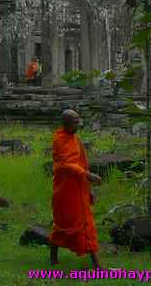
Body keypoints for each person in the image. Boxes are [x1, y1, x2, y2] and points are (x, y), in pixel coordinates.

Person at [50, 109, 102, 268]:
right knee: (63, 224)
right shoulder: (59, 140)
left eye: (78, 121)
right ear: (64, 123)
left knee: (86, 224)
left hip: (79, 187)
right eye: (74, 122)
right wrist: (87, 175)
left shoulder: (76, 139)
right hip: (65, 190)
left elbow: (82, 161)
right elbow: (64, 164)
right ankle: (53, 257)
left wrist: (88, 187)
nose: (78, 125)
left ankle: (97, 266)